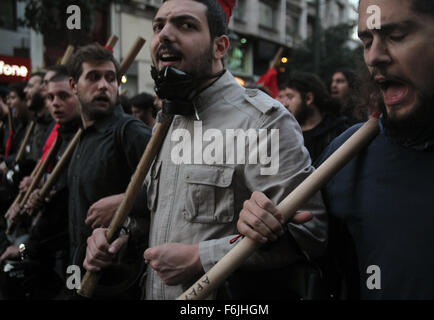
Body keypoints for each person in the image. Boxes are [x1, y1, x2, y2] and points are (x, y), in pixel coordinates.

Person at [83, 0, 327, 300]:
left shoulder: (261, 122)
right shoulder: (167, 121)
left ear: (220, 46)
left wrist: (202, 257)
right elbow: (162, 216)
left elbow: (311, 232)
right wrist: (118, 236)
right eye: (158, 26)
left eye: (186, 25)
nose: (164, 35)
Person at [238, 0, 434, 300]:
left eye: (396, 36)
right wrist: (268, 230)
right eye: (366, 41)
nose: (374, 56)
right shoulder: (347, 155)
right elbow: (317, 257)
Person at [66, 43, 151, 299]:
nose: (104, 85)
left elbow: (174, 187)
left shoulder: (130, 131)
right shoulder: (82, 137)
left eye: (111, 78)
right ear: (73, 85)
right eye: (93, 77)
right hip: (83, 276)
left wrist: (127, 202)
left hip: (121, 281)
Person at [0, 69, 81, 299]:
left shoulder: (85, 137)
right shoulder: (59, 135)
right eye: (50, 97)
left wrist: (26, 249)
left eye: (63, 96)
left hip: (70, 251)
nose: (55, 103)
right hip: (51, 242)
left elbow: (64, 202)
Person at [280, 72, 352, 163]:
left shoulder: (339, 132)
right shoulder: (285, 135)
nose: (284, 104)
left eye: (290, 97)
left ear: (308, 98)